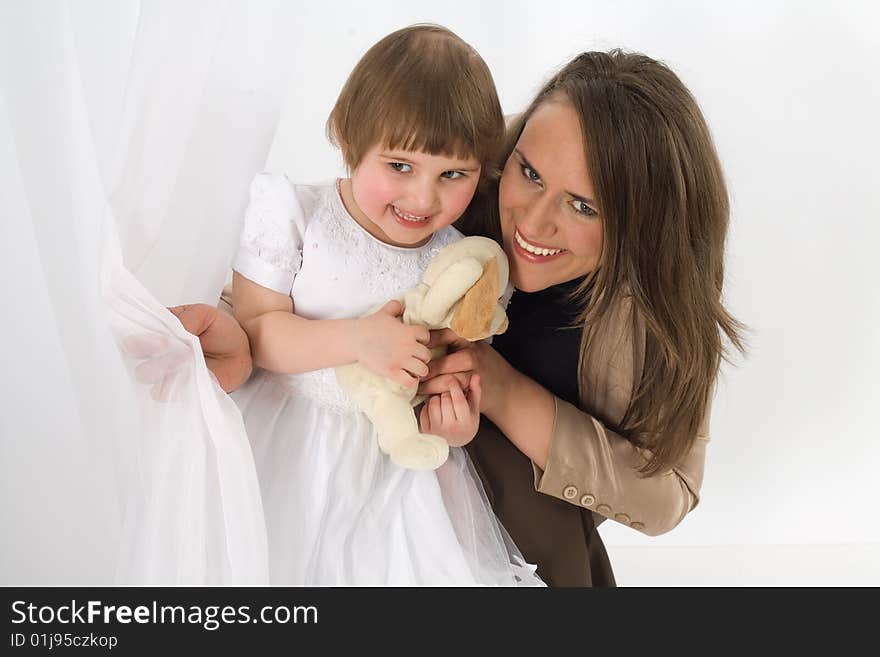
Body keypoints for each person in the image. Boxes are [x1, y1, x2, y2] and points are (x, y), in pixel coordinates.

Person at [185, 49, 745, 587]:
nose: (533, 221)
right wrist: (238, 330)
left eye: (584, 207)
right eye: (528, 174)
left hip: (514, 511)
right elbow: (324, 259)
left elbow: (666, 490)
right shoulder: (461, 165)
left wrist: (499, 390)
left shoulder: (652, 307)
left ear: (645, 228)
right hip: (373, 460)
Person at [225, 24, 541, 585]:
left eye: (453, 175)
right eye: (399, 166)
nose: (423, 197)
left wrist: (453, 425)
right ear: (350, 140)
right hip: (289, 446)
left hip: (392, 474)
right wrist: (355, 338)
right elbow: (256, 333)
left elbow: (443, 373)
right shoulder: (300, 215)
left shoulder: (459, 261)